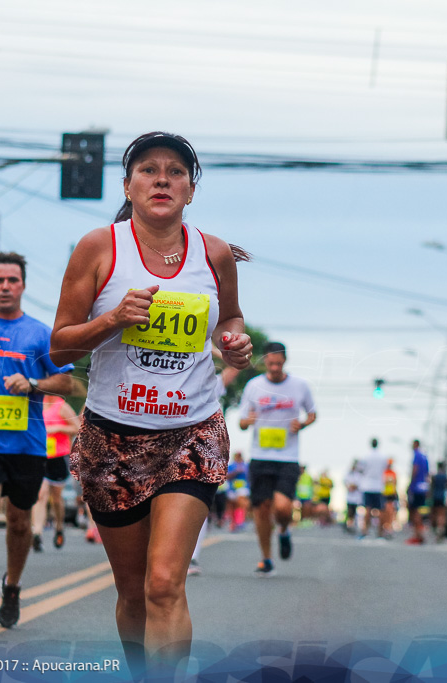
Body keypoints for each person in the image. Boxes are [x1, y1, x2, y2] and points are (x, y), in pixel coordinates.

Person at [50, 132, 251, 676]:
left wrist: (235, 339)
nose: (162, 179)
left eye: (175, 172)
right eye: (148, 170)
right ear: (128, 186)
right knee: (133, 592)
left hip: (191, 433)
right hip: (112, 437)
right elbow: (61, 343)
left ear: (190, 190)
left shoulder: (212, 253)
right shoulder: (99, 247)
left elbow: (231, 317)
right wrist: (113, 319)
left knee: (165, 584)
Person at [0, 252, 76, 630]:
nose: (5, 287)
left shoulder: (40, 333)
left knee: (20, 522)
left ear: (22, 286)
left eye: (12, 281)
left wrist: (33, 382)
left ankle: (12, 586)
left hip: (27, 443)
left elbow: (67, 382)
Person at [240, 341, 316, 574]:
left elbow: (312, 414)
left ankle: (284, 530)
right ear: (265, 361)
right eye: (270, 363)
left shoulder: (300, 386)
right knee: (261, 509)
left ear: (285, 361)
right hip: (260, 455)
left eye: (278, 363)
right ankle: (266, 558)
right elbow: (241, 422)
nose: (274, 368)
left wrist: (301, 424)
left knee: (283, 508)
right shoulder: (253, 386)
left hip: (288, 457)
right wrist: (248, 421)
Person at [30, 394, 79, 551]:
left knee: (56, 499)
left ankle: (59, 527)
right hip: (41, 455)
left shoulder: (62, 406)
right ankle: (37, 532)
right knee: (40, 494)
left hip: (58, 456)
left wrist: (58, 428)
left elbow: (78, 428)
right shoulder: (39, 403)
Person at [358, 438, 389, 539]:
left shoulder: (366, 456)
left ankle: (365, 532)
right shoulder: (383, 457)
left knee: (367, 509)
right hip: (379, 486)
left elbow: (361, 469)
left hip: (367, 485)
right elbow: (385, 468)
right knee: (381, 511)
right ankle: (380, 534)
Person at [406, 440, 430, 544]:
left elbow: (415, 469)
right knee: (418, 511)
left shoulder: (416, 455)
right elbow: (427, 474)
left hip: (416, 487)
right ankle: (419, 534)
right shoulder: (425, 456)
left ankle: (418, 535)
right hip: (423, 487)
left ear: (416, 444)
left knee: (414, 511)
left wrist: (410, 484)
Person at [429, 461, 447, 541]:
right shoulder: (445, 476)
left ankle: (436, 527)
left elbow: (431, 487)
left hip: (435, 497)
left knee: (435, 513)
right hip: (442, 497)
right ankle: (440, 528)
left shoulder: (435, 476)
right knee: (442, 514)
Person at [343, 460, 363, 534]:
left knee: (355, 512)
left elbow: (358, 484)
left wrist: (352, 486)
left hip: (357, 498)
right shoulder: (349, 474)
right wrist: (349, 487)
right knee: (350, 511)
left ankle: (354, 525)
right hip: (350, 497)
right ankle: (349, 524)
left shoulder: (359, 474)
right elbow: (345, 482)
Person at [382, 459, 398, 538]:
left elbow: (395, 483)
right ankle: (385, 527)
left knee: (390, 511)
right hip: (384, 494)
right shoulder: (383, 472)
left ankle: (388, 527)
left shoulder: (393, 473)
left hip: (390, 494)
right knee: (385, 511)